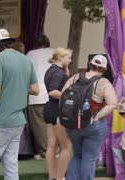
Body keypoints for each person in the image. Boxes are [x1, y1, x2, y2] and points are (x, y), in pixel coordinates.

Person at [0, 29, 39, 180]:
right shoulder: (25, 59)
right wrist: (15, 84)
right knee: (10, 164)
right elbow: (35, 90)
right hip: (17, 122)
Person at [62, 54, 117, 180]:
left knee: (77, 155)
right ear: (104, 69)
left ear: (89, 64)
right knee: (90, 157)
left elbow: (63, 97)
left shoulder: (75, 77)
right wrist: (97, 116)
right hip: (92, 125)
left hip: (72, 123)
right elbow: (113, 103)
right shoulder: (103, 82)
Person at [43, 47, 72, 180]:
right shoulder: (58, 73)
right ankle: (60, 177)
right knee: (66, 146)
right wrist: (69, 98)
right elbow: (53, 91)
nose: (70, 60)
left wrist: (66, 69)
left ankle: (52, 177)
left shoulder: (51, 70)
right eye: (69, 57)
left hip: (49, 109)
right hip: (58, 110)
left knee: (52, 144)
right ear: (61, 57)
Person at [26, 34, 54, 160]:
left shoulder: (30, 54)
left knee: (39, 125)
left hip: (36, 95)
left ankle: (44, 152)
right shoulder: (54, 52)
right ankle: (56, 149)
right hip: (53, 92)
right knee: (53, 123)